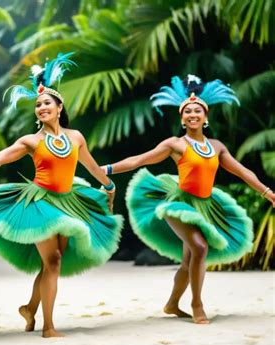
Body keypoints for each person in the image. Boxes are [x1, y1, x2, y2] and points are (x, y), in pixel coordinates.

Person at [0, 53, 123, 337]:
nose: (41, 107)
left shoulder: (76, 138)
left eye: (46, 103)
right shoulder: (31, 141)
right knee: (53, 262)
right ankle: (48, 327)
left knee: (52, 263)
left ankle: (30, 308)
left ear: (59, 107)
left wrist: (108, 186)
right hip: (38, 204)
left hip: (69, 202)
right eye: (37, 105)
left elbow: (92, 167)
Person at [102, 75, 274, 324]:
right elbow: (139, 160)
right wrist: (105, 170)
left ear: (205, 117)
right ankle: (197, 303)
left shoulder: (216, 146)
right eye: (188, 111)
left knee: (187, 261)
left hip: (206, 206)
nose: (193, 114)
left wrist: (267, 192)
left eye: (198, 111)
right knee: (200, 247)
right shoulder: (176, 144)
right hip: (179, 203)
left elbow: (242, 171)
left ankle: (172, 303)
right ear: (182, 118)